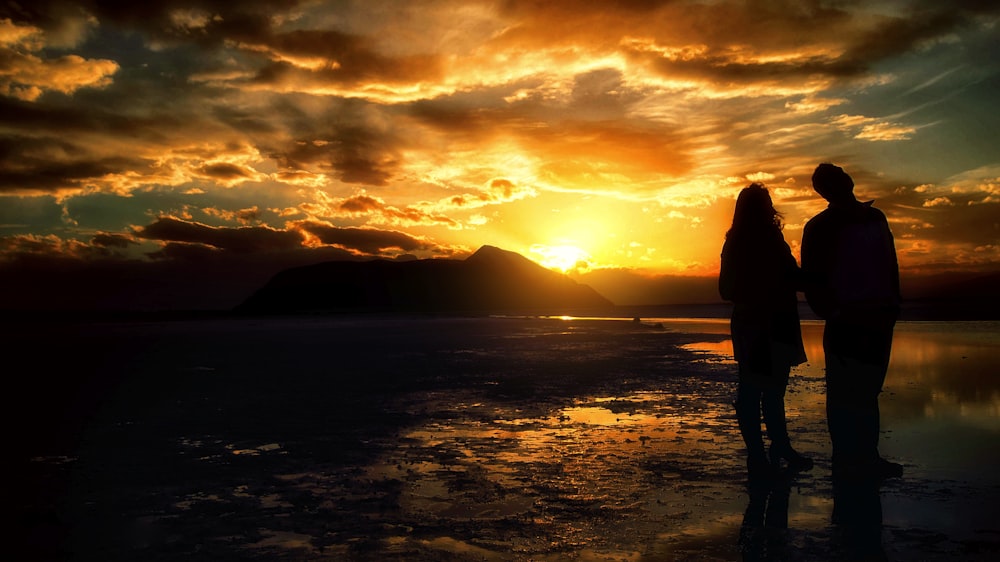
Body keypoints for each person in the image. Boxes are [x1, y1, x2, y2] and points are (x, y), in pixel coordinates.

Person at [800, 163, 903, 480]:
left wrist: (892, 306)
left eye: (840, 173)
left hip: (878, 317)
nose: (842, 178)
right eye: (832, 178)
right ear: (825, 190)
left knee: (868, 391)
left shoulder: (876, 217)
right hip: (846, 319)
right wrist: (832, 312)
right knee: (845, 395)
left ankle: (867, 457)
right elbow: (812, 279)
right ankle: (845, 459)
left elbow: (891, 263)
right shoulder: (819, 227)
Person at [720, 183, 812, 480]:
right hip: (762, 324)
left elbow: (727, 289)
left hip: (768, 322)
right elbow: (727, 289)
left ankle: (770, 450)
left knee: (763, 390)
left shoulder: (761, 240)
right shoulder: (748, 242)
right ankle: (764, 452)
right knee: (761, 391)